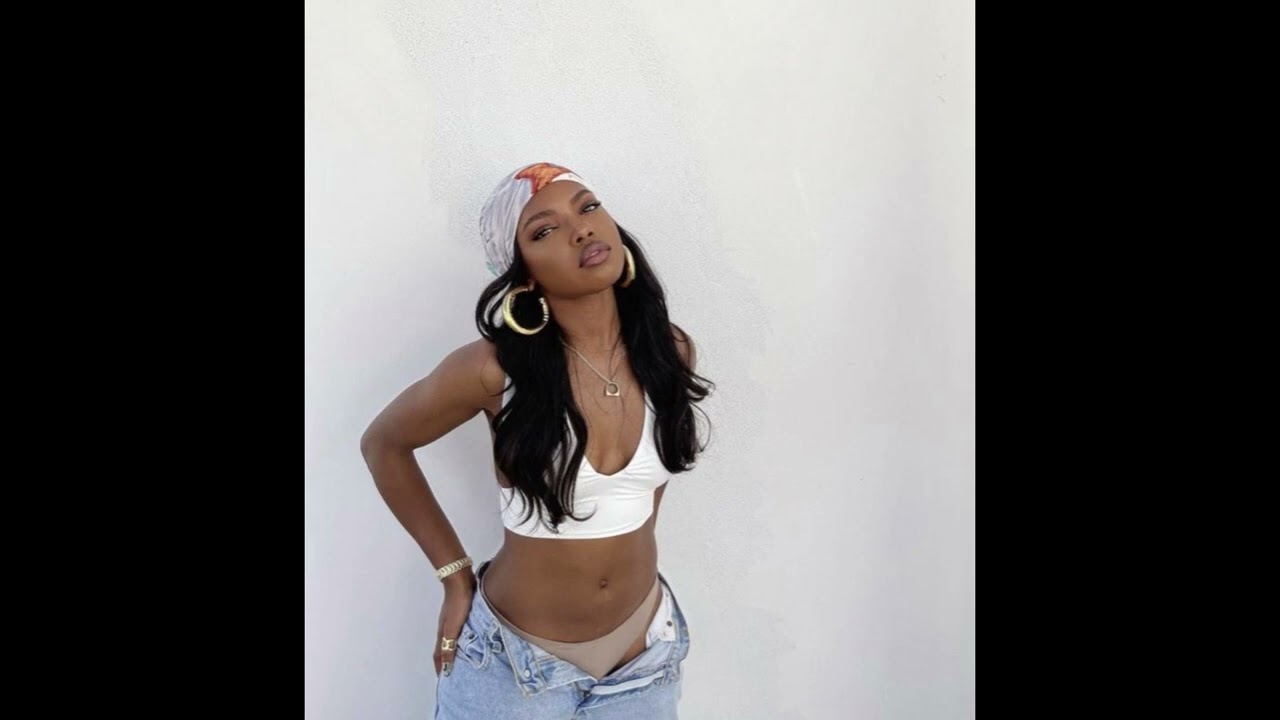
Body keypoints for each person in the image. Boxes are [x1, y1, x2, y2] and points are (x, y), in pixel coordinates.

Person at [361, 162, 715, 717]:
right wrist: (454, 577)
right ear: (522, 274)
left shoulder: (668, 352)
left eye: (588, 206)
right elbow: (383, 444)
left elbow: (645, 500)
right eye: (544, 230)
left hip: (643, 659)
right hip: (513, 667)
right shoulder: (492, 371)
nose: (581, 228)